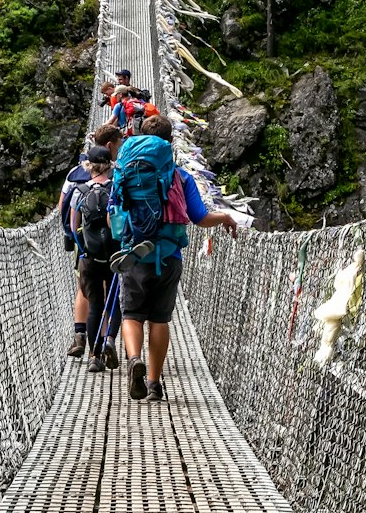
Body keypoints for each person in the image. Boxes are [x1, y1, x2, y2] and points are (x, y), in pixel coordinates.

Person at [115, 114, 237, 403]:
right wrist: (225, 216)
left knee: (131, 315)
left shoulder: (126, 171)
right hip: (169, 256)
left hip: (135, 255)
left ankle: (134, 360)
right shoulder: (181, 177)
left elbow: (115, 215)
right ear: (170, 143)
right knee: (160, 319)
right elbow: (200, 217)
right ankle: (155, 384)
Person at [60, 124, 123, 356]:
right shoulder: (117, 183)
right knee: (113, 297)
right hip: (114, 252)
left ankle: (88, 346)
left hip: (88, 251)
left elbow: (68, 214)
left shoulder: (77, 183)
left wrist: (77, 244)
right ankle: (109, 340)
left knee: (90, 296)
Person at [70, 144, 121, 373]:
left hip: (89, 258)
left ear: (88, 166)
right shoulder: (116, 189)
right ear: (110, 165)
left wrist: (83, 250)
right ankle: (110, 339)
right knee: (114, 303)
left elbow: (73, 227)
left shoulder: (79, 191)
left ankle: (94, 355)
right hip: (116, 257)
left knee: (95, 305)